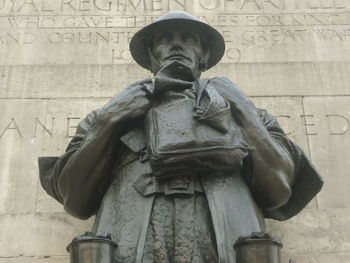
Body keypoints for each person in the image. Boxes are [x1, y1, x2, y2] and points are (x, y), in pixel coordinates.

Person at [39, 11, 323, 263]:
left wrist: (244, 111)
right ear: (151, 55)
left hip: (224, 245)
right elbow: (75, 201)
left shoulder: (252, 115)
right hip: (132, 246)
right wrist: (108, 120)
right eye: (165, 38)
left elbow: (278, 192)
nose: (177, 44)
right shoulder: (110, 116)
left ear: (205, 56)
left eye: (189, 37)